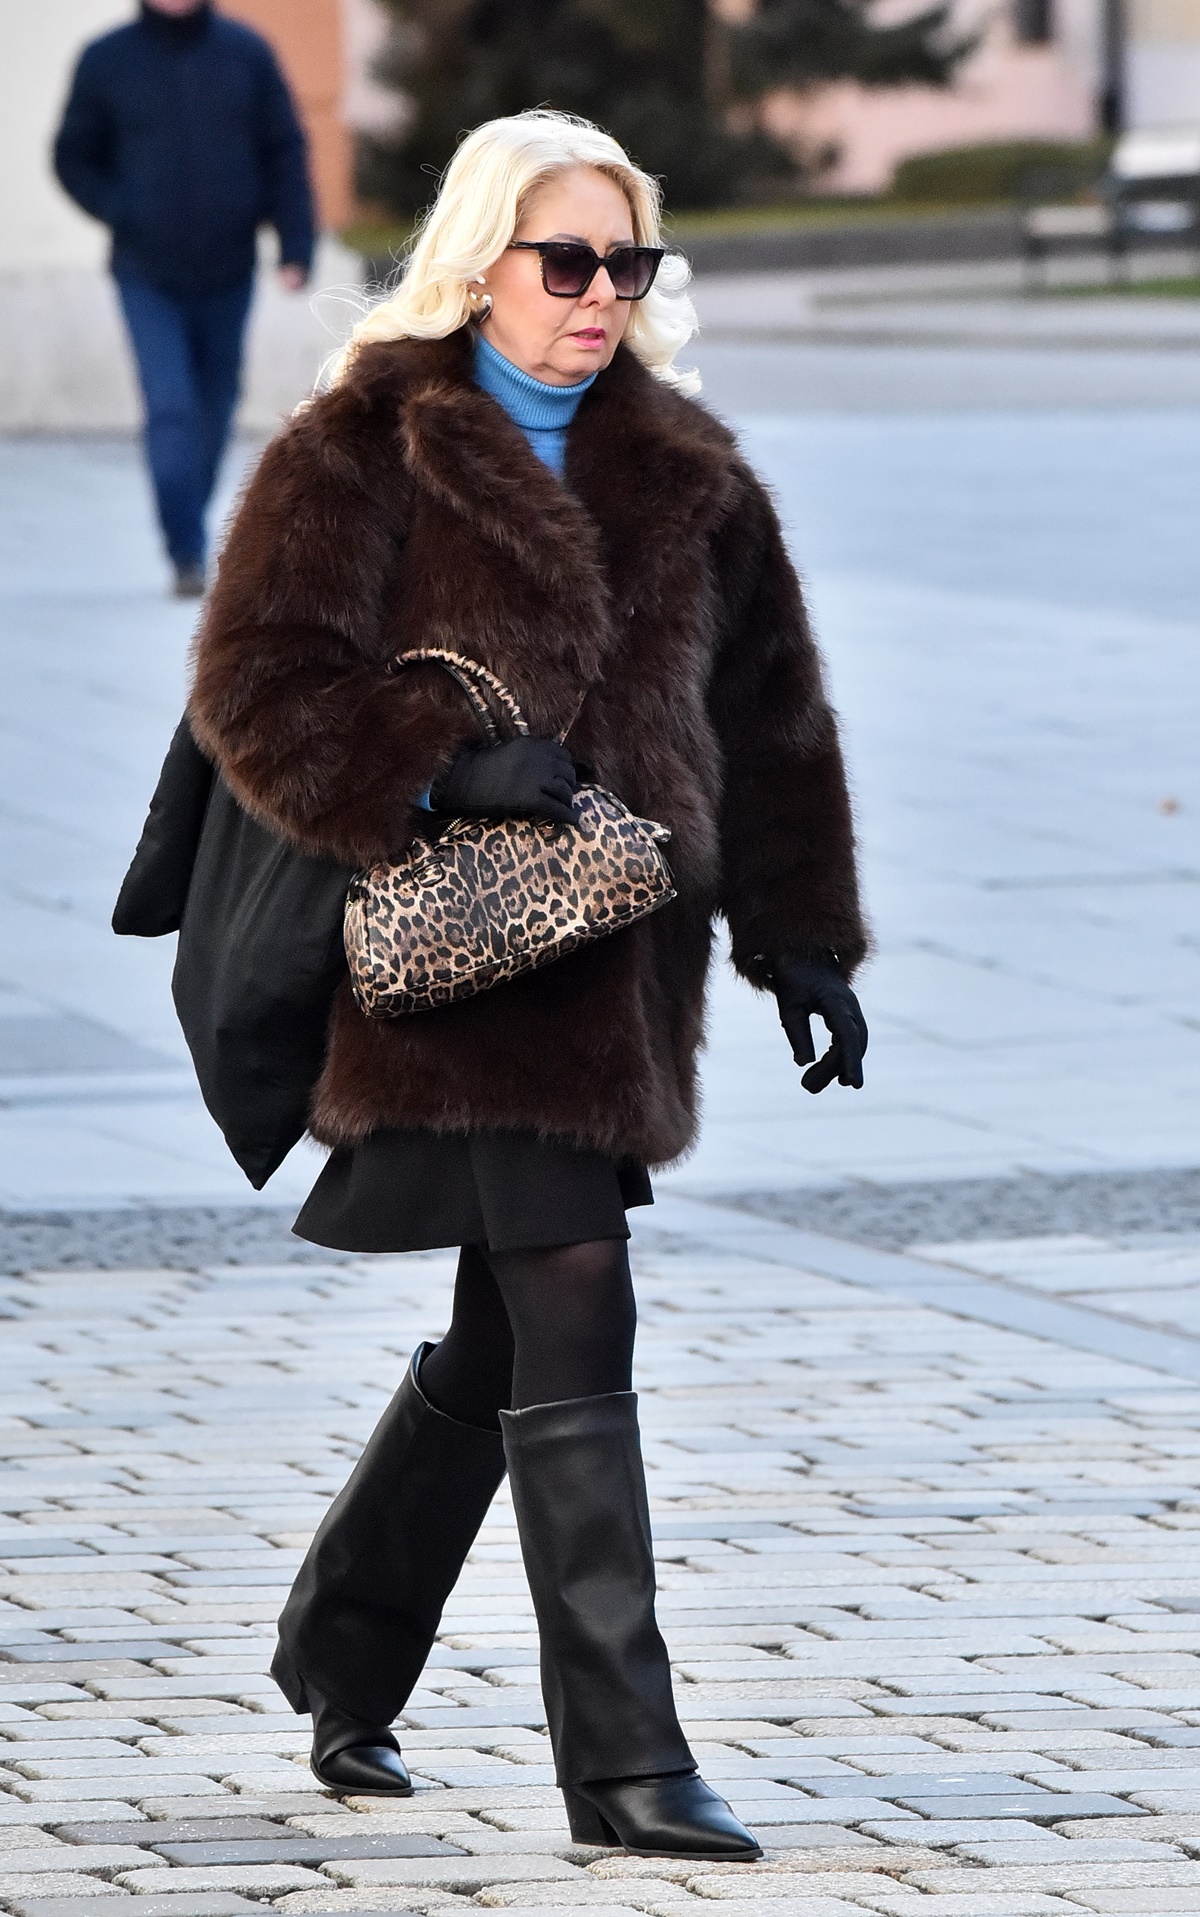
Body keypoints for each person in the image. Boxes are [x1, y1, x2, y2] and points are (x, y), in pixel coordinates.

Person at [187, 110, 869, 1860]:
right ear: (481, 259)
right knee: (576, 1295)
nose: (599, 293)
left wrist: (802, 935)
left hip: (619, 972)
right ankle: (626, 1760)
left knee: (508, 1331)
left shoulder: (691, 471)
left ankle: (341, 1640)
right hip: (451, 972)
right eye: (566, 259)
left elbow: (772, 716)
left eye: (628, 263)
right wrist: (438, 766)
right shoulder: (365, 448)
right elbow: (256, 686)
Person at [53, 0, 316, 598]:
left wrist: (295, 245)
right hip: (145, 272)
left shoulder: (247, 53)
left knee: (216, 404)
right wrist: (123, 209)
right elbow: (72, 156)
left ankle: (188, 529)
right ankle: (186, 548)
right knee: (171, 406)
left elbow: (284, 150)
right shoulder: (107, 59)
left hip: (229, 268)